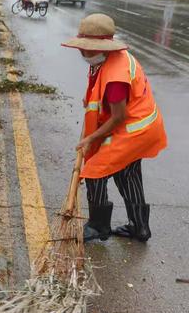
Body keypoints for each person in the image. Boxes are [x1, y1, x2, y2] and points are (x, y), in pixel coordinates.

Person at [62, 13, 167, 243]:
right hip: (142, 124)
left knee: (94, 170)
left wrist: (90, 140)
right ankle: (140, 228)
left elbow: (119, 117)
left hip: (133, 129)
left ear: (101, 47)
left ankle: (99, 226)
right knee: (128, 175)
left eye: (85, 48)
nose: (81, 52)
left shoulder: (115, 75)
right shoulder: (109, 59)